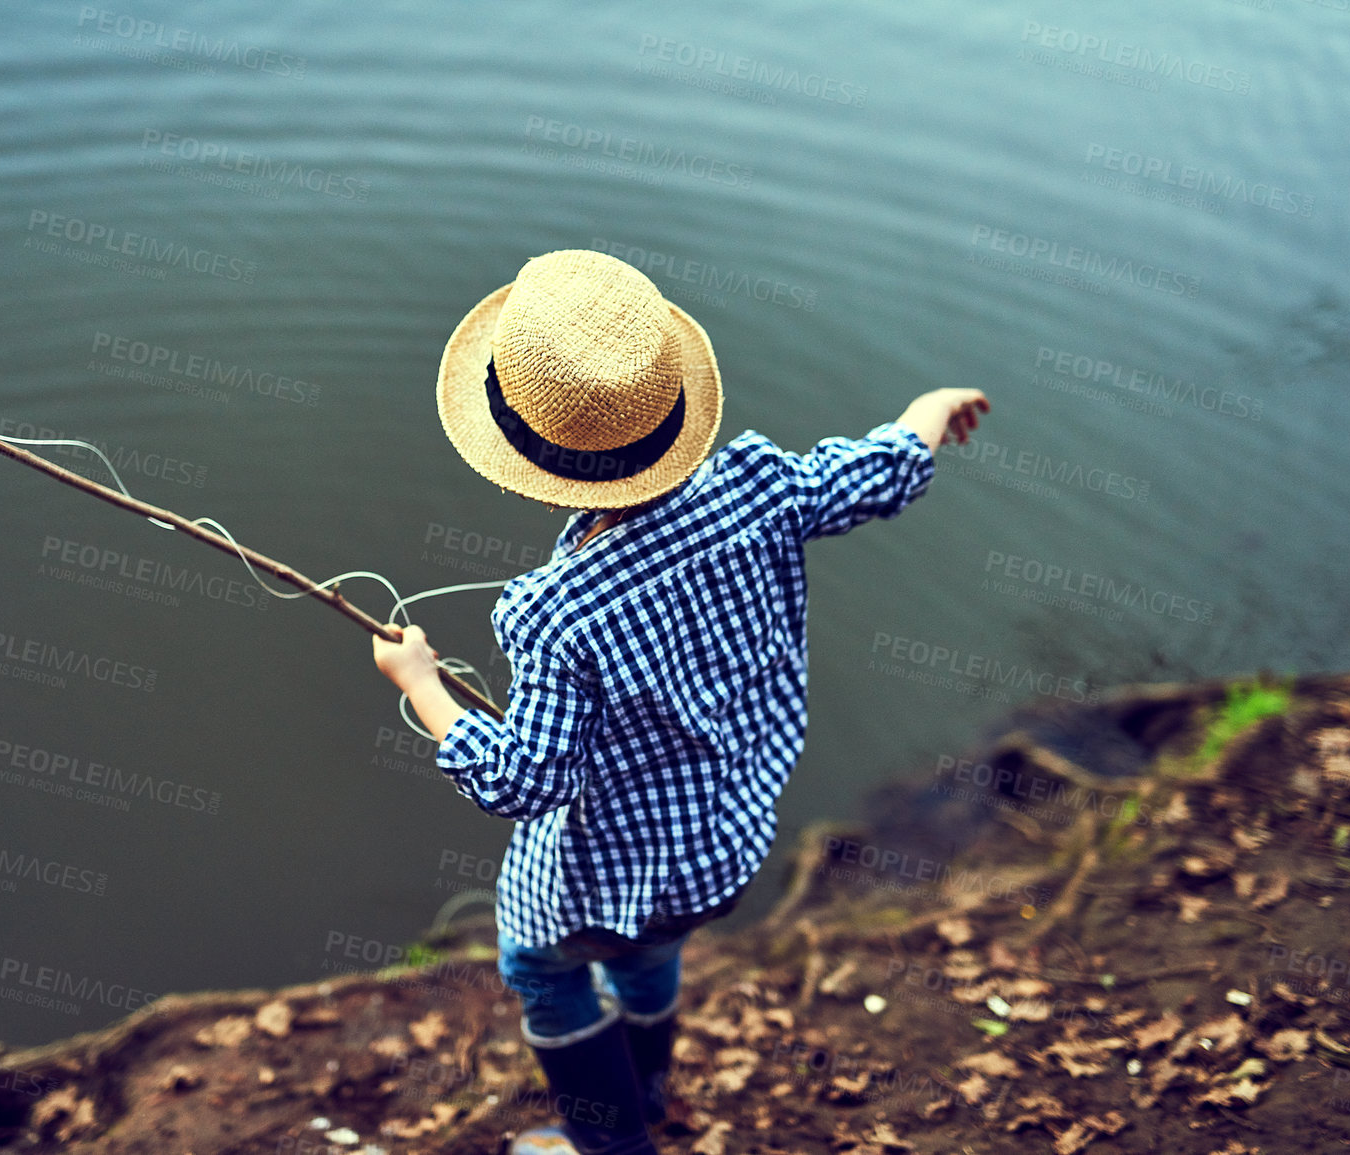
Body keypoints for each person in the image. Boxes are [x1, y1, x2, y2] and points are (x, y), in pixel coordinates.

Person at [373, 249, 988, 1155]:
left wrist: (422, 687)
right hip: (722, 851)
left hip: (598, 880)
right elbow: (878, 468)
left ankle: (612, 1143)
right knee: (650, 959)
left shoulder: (551, 614)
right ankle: (648, 1090)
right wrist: (929, 412)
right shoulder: (759, 486)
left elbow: (523, 781)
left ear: (517, 464)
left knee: (541, 974)